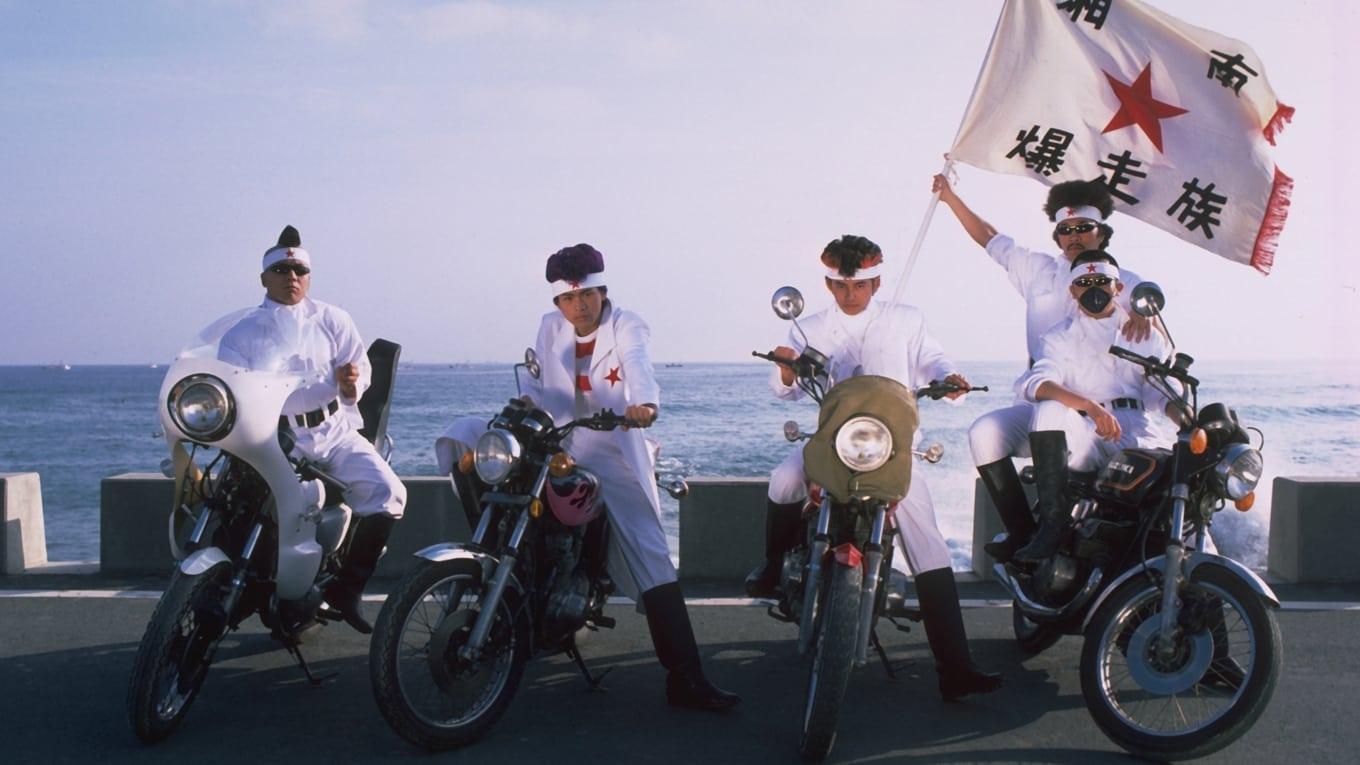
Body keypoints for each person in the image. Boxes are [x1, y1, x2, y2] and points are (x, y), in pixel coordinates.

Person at [437, 244, 740, 712]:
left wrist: (645, 406)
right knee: (471, 439)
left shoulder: (627, 325)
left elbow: (638, 367)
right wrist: (523, 407)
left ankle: (686, 677)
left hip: (610, 446)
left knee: (652, 553)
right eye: (569, 299)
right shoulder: (549, 327)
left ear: (602, 291)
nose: (579, 306)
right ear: (558, 302)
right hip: (557, 442)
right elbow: (538, 388)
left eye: (588, 296)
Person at [744, 234, 1001, 702]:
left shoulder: (906, 319)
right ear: (828, 283)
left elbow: (932, 361)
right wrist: (785, 368)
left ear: (876, 281)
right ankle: (771, 568)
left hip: (893, 448)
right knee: (783, 481)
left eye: (858, 285)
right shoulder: (811, 328)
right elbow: (787, 388)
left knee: (929, 544)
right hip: (831, 443)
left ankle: (955, 668)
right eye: (840, 286)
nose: (849, 294)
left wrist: (948, 379)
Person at [933, 174, 1154, 561]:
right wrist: (950, 197)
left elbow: (1152, 313)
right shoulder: (1037, 270)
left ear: (1102, 232)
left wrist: (1144, 314)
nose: (1075, 236)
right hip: (1049, 403)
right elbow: (989, 237)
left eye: (1084, 228)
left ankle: (1057, 530)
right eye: (1066, 229)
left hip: (1109, 415)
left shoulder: (1125, 280)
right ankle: (1025, 534)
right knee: (984, 433)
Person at [220, 225, 406, 634]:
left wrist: (351, 383)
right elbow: (231, 388)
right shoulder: (242, 333)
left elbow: (362, 373)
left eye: (300, 270)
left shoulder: (333, 319)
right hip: (277, 437)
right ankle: (247, 586)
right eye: (283, 270)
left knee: (390, 493)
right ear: (264, 278)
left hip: (334, 430)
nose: (293, 278)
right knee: (248, 504)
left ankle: (347, 589)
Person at [1011, 250, 1178, 561]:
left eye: (1102, 281)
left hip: (1137, 428)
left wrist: (1186, 417)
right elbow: (1037, 384)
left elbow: (1163, 391)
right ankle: (1053, 524)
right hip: (1088, 432)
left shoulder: (1145, 335)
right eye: (1084, 282)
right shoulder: (1058, 336)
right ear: (1072, 291)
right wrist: (1090, 407)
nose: (1094, 289)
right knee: (1049, 409)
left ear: (1118, 287)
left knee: (1177, 482)